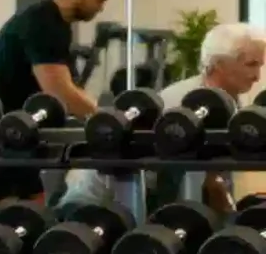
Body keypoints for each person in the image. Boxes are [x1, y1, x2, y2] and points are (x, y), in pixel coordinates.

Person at [59, 21, 265, 216]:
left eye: (260, 65)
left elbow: (215, 172)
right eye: (251, 65)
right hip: (98, 202)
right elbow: (173, 180)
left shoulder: (229, 101)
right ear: (219, 64)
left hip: (148, 197)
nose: (257, 76)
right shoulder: (180, 102)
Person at [0, 0, 117, 207]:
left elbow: (64, 87)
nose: (101, 8)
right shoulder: (42, 22)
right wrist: (105, 119)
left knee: (34, 213)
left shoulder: (56, 24)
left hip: (17, 136)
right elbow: (59, 91)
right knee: (12, 226)